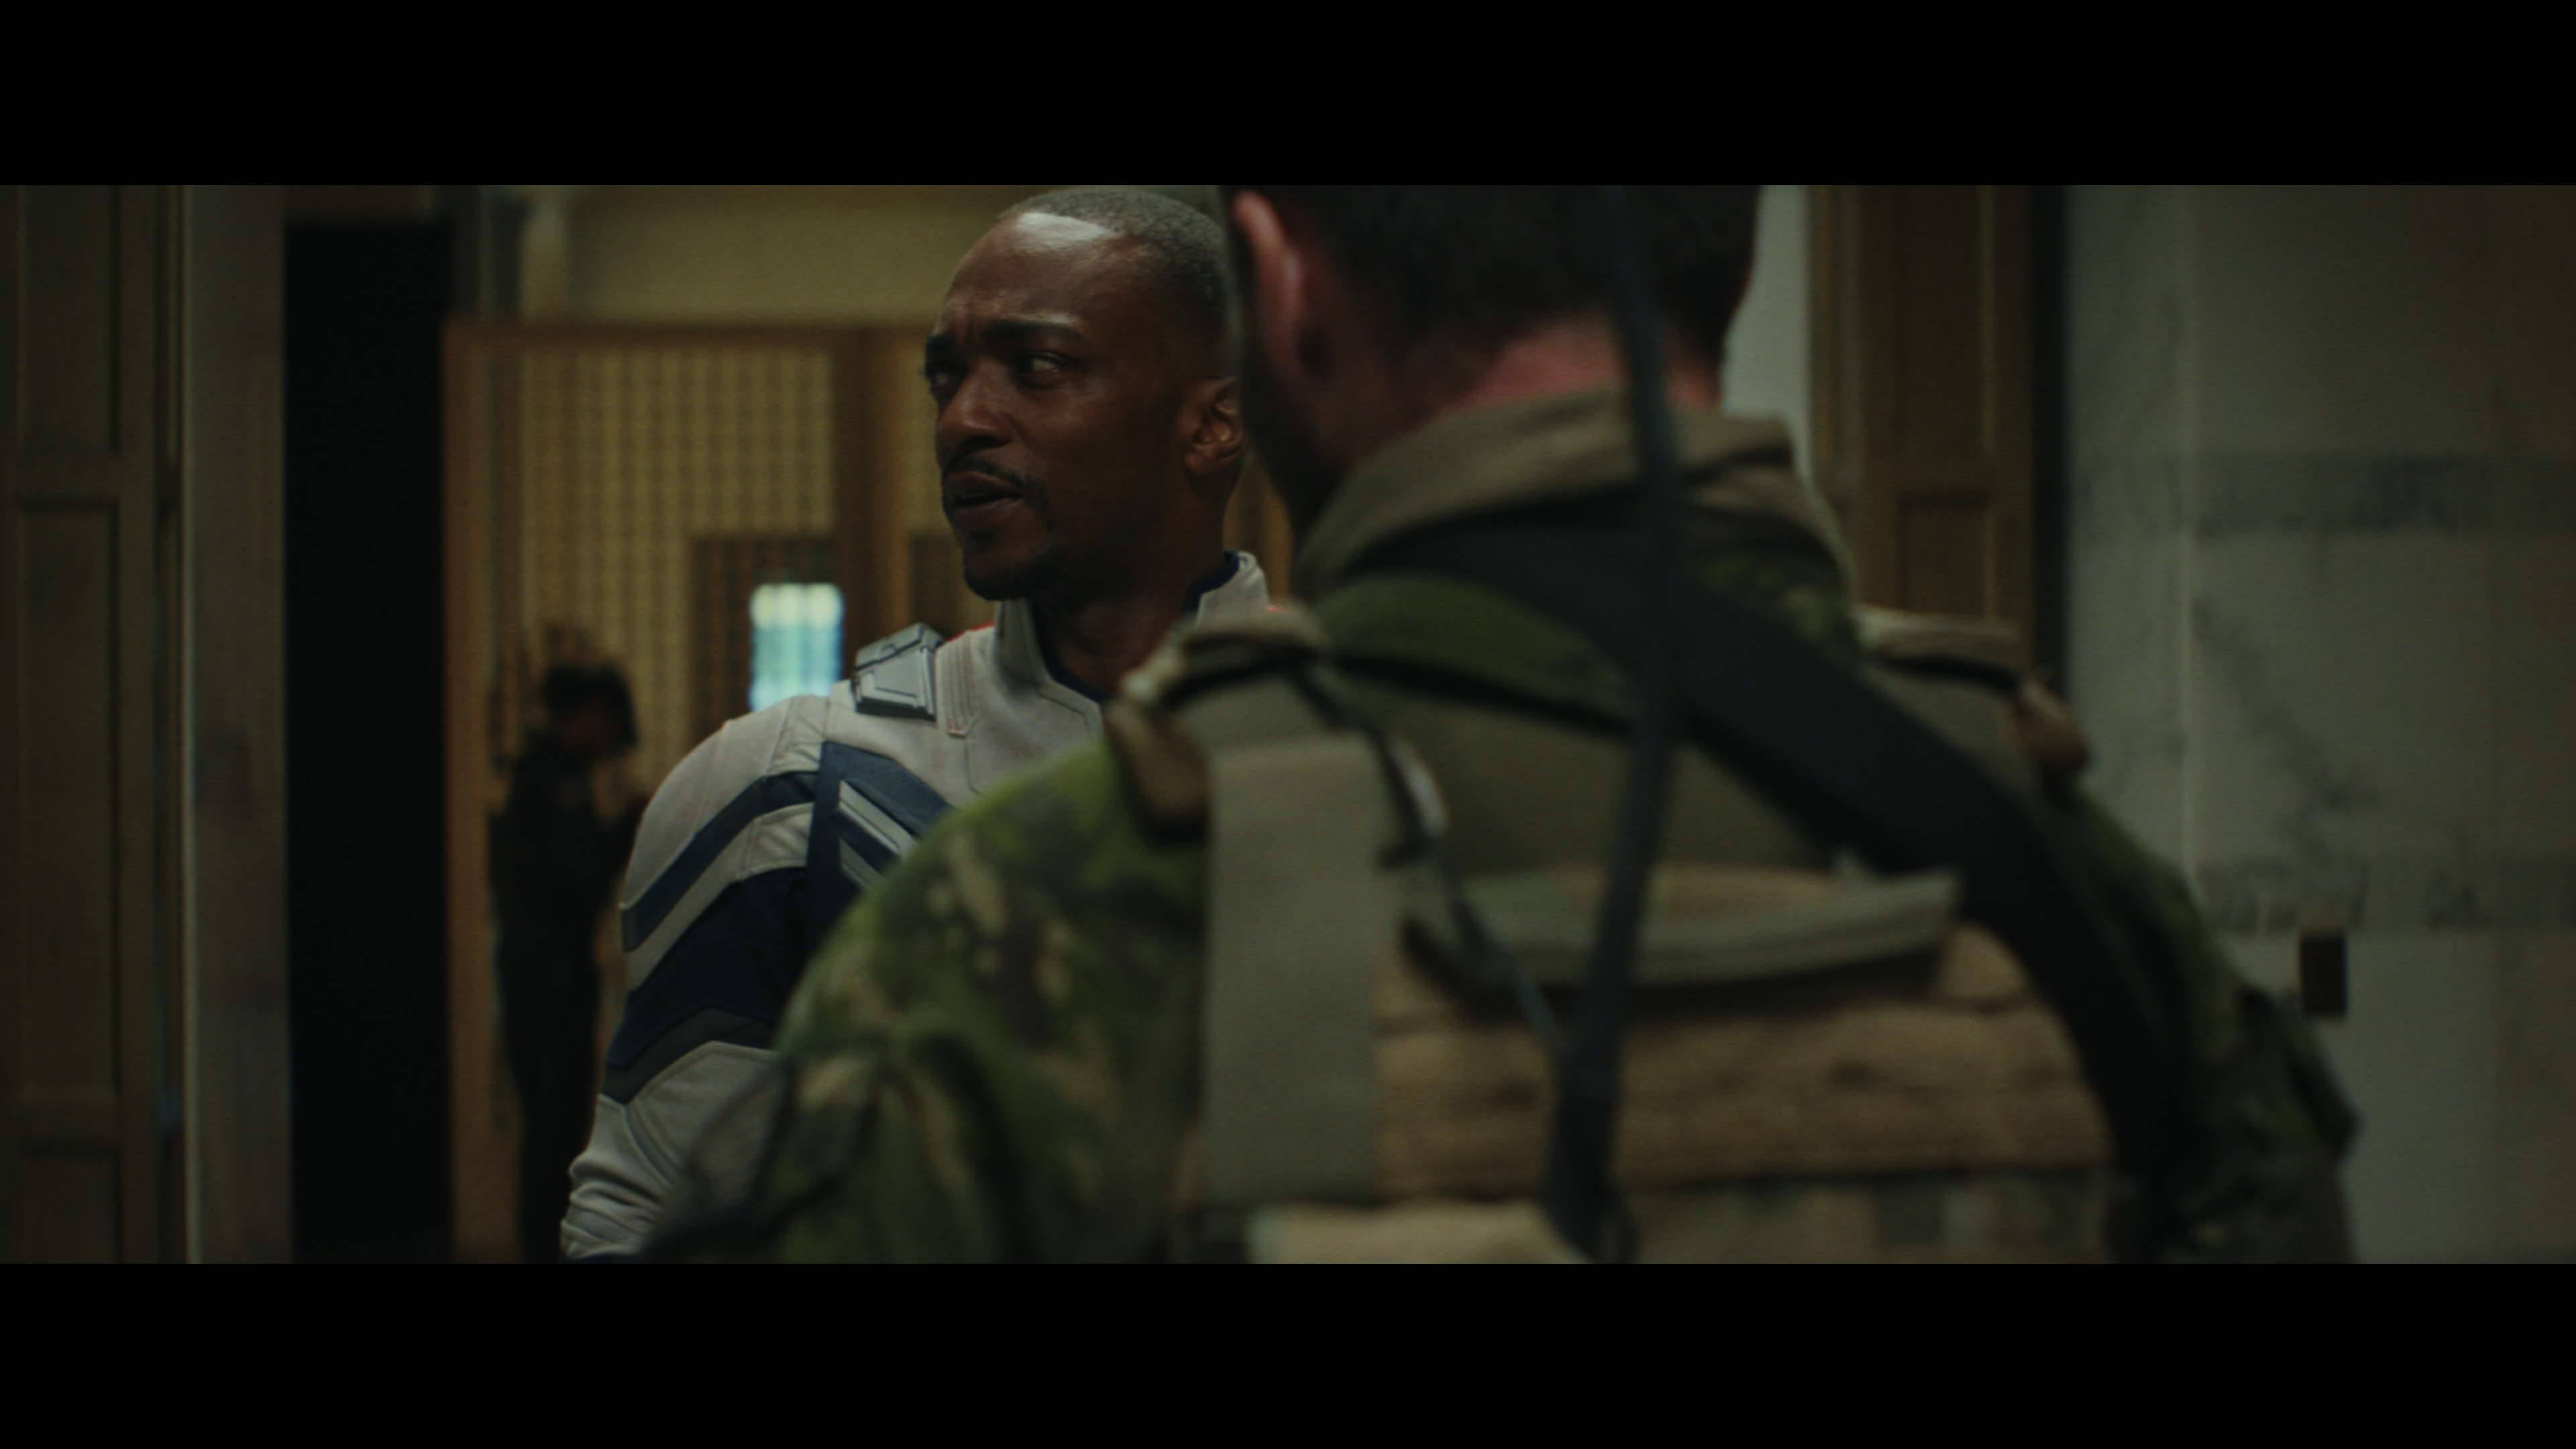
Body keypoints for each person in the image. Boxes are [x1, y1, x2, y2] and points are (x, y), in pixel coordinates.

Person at [669, 186, 2354, 1263]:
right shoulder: (2085, 908)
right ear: (1728, 264)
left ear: (1282, 293)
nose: (969, 419)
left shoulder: (1018, 938)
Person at [558, 189, 1273, 1259]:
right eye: (947, 376)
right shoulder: (785, 792)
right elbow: (646, 1218)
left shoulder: (1398, 768)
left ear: (1215, 423)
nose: (962, 421)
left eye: (1038, 366)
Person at [493, 662, 641, 1265]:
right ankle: (544, 1244)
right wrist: (629, 827)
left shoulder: (542, 775)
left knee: (552, 1120)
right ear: (590, 715)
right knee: (554, 1120)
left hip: (542, 969)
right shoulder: (554, 781)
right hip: (549, 975)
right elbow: (578, 875)